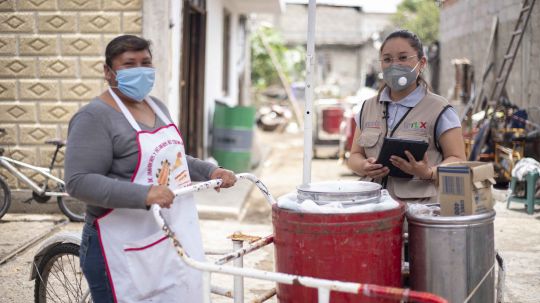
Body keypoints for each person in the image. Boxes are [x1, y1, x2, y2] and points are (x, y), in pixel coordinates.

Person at [64, 35, 237, 302]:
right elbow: (79, 182)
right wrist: (144, 194)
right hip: (118, 246)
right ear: (108, 72)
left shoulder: (157, 107)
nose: (140, 70)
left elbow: (174, 159)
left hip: (165, 239)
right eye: (129, 64)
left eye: (145, 62)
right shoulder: (94, 117)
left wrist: (211, 171)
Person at [347, 30, 466, 203]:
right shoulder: (368, 107)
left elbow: (459, 160)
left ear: (422, 62)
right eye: (387, 59)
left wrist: (428, 172)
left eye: (403, 58)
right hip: (373, 206)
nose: (395, 65)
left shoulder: (440, 109)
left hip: (418, 209)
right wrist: (364, 166)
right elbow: (354, 156)